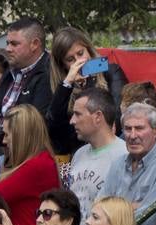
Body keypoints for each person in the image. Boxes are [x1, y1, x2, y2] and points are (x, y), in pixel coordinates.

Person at [0, 105, 60, 225]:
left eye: (7, 135)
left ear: (21, 136)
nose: (3, 141)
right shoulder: (35, 161)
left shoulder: (38, 165)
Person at [46, 27, 128, 155]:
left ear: (89, 50)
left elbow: (116, 114)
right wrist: (67, 84)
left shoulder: (111, 72)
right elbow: (53, 127)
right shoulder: (61, 87)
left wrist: (90, 80)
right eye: (70, 59)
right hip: (74, 153)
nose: (79, 61)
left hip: (109, 147)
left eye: (80, 53)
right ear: (62, 64)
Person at [65, 88, 126, 225]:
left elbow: (121, 213)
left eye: (78, 114)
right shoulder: (79, 154)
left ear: (98, 116)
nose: (72, 121)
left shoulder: (123, 155)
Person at [0, 18, 51, 130]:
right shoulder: (10, 72)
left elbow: (34, 129)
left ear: (35, 44)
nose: (8, 49)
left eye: (14, 44)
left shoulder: (49, 74)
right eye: (7, 43)